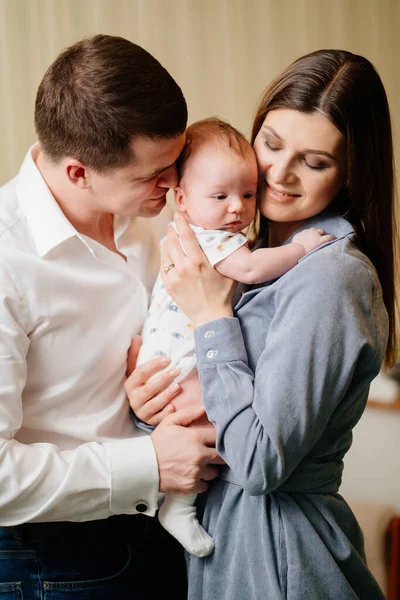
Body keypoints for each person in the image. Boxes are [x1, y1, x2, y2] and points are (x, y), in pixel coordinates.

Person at [128, 49, 397, 599]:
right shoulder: (240, 249)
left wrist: (210, 317)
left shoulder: (330, 277)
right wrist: (151, 398)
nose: (279, 173)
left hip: (279, 559)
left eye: (315, 162)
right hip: (224, 547)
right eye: (271, 144)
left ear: (350, 174)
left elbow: (260, 460)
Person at [0, 34, 224, 599]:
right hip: (51, 558)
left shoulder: (139, 221)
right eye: (155, 174)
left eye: (175, 164)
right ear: (79, 172)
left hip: (156, 533)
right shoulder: (8, 260)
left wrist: (142, 403)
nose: (175, 185)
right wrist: (144, 462)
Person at [135, 116, 334, 558]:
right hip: (183, 361)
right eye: (221, 196)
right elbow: (251, 269)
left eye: (246, 194)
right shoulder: (215, 241)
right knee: (201, 437)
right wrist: (300, 249)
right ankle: (179, 508)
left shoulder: (183, 234)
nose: (237, 209)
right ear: (182, 200)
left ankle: (174, 504)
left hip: (163, 357)